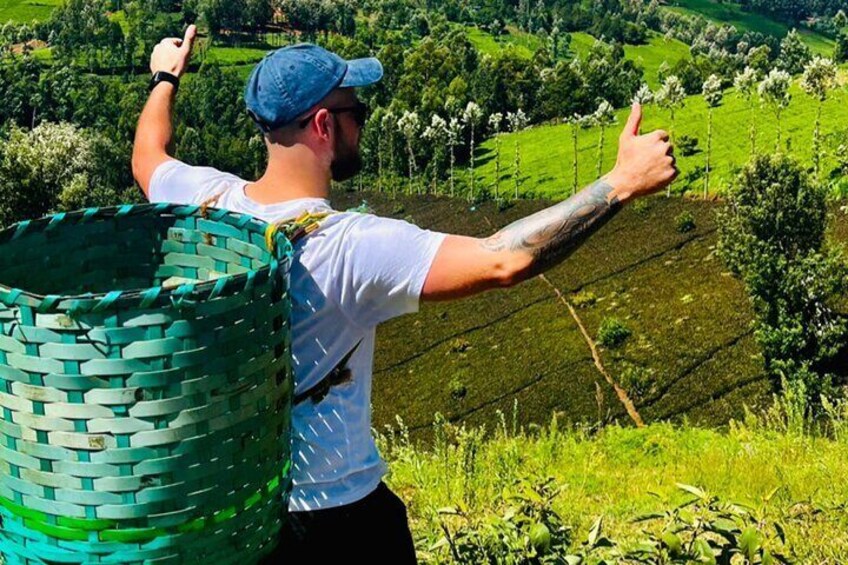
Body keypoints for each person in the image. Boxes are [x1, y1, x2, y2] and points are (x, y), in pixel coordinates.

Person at [132, 25, 677, 564]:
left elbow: (147, 155)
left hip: (245, 514)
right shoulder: (347, 248)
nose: (362, 124)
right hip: (339, 518)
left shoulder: (207, 203)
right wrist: (622, 183)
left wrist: (164, 76)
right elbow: (504, 257)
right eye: (356, 113)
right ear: (323, 125)